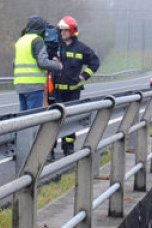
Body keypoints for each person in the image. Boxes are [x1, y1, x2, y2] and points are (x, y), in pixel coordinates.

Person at [48, 15, 100, 160]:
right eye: (61, 30)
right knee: (53, 121)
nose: (62, 33)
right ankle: (50, 148)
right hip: (56, 91)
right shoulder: (55, 47)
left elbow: (95, 63)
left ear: (72, 31)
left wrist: (84, 76)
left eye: (65, 30)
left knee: (70, 120)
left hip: (73, 91)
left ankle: (68, 147)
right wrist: (51, 60)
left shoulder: (82, 48)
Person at [14, 16, 62, 111]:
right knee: (34, 117)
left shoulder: (20, 41)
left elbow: (14, 63)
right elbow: (43, 62)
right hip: (34, 85)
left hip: (20, 85)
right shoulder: (37, 40)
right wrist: (58, 65)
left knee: (23, 117)